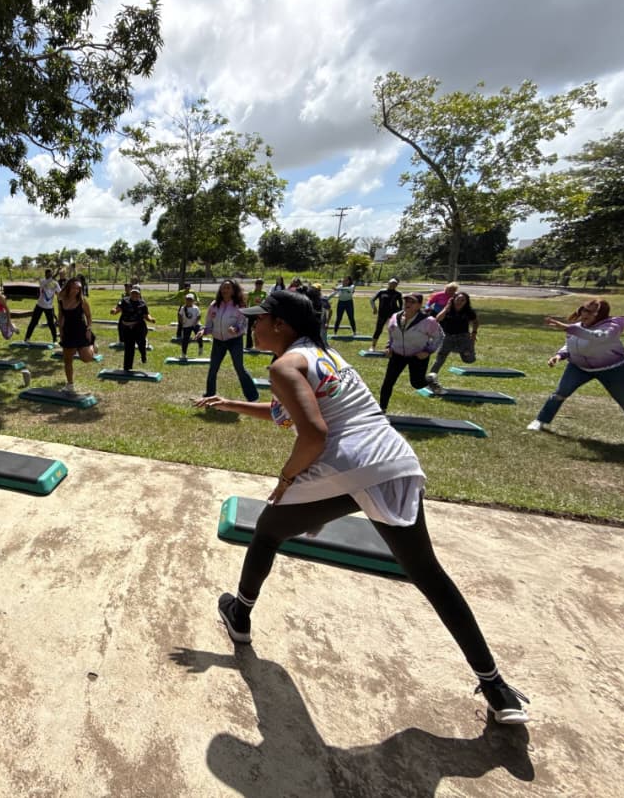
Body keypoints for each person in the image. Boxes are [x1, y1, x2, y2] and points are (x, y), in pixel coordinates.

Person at [199, 288, 530, 725]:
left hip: (344, 464)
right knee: (427, 573)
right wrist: (231, 404)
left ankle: (240, 614)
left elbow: (314, 435)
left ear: (280, 325)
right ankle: (496, 687)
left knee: (268, 530)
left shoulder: (284, 366)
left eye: (259, 319)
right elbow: (286, 414)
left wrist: (287, 479)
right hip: (394, 459)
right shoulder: (325, 356)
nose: (252, 325)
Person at [528, 299, 624, 432]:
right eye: (583, 310)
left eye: (590, 312)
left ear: (601, 314)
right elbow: (570, 344)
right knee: (560, 392)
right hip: (578, 367)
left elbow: (598, 336)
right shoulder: (577, 327)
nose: (584, 314)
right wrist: (559, 356)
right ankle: (540, 420)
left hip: (613, 368)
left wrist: (568, 327)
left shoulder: (612, 327)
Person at [379, 293, 444, 412]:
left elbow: (439, 337)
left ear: (419, 305)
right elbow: (392, 334)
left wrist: (428, 351)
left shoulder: (428, 321)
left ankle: (430, 379)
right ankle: (382, 409)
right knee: (388, 382)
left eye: (412, 302)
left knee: (417, 384)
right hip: (398, 355)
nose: (408, 304)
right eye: (406, 301)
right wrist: (389, 346)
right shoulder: (395, 317)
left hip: (418, 356)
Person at [199, 279, 258, 402]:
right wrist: (204, 331)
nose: (224, 290)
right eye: (223, 287)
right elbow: (209, 323)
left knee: (239, 368)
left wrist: (236, 329)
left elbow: (243, 324)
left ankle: (252, 397)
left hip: (234, 341)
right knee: (213, 368)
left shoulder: (240, 306)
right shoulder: (214, 305)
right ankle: (209, 394)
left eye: (228, 288)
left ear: (233, 290)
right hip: (218, 342)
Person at [426, 292, 479, 390]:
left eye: (462, 300)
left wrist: (474, 333)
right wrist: (446, 308)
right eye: (458, 299)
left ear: (466, 302)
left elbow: (475, 322)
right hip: (447, 338)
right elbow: (438, 319)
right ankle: (430, 380)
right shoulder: (447, 309)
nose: (459, 302)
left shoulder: (469, 311)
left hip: (463, 338)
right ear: (453, 299)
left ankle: (466, 350)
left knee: (469, 360)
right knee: (439, 360)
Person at [56, 277, 96, 393]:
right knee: (67, 360)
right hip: (68, 332)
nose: (76, 290)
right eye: (74, 288)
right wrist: (61, 332)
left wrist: (89, 329)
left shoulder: (82, 301)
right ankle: (70, 384)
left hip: (81, 331)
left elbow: (89, 316)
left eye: (78, 289)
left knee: (87, 359)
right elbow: (61, 317)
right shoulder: (61, 300)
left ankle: (93, 344)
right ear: (68, 287)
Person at [111, 285, 155, 371]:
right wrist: (114, 311)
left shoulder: (142, 304)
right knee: (129, 347)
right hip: (127, 328)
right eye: (133, 293)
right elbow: (117, 309)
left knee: (141, 344)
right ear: (130, 293)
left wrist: (151, 319)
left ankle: (143, 355)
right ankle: (127, 368)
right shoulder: (124, 301)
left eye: (136, 293)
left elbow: (146, 315)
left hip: (139, 327)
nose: (135, 295)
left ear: (139, 294)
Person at [23, 268, 61, 342]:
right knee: (33, 322)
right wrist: (56, 274)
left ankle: (55, 339)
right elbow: (48, 281)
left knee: (51, 324)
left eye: (51, 274)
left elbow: (60, 292)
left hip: (49, 307)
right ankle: (27, 338)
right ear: (45, 274)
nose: (49, 276)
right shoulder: (42, 281)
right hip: (39, 305)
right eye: (48, 274)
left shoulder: (55, 283)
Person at [370, 278, 404, 350]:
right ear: (388, 283)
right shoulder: (382, 291)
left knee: (392, 331)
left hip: (393, 315)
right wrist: (374, 308)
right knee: (378, 330)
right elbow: (372, 300)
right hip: (382, 314)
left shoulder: (398, 293)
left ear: (397, 285)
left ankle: (390, 347)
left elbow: (401, 306)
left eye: (395, 284)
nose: (393, 285)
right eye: (392, 283)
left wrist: (400, 314)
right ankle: (373, 346)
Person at [177, 293, 203, 358]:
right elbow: (179, 315)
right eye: (187, 299)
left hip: (195, 325)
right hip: (186, 326)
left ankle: (200, 347)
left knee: (199, 336)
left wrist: (195, 322)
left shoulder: (196, 308)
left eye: (190, 300)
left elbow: (199, 316)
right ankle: (184, 354)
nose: (188, 301)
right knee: (185, 340)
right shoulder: (183, 308)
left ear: (193, 301)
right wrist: (181, 322)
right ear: (185, 300)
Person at [245, 279, 267, 349]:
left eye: (260, 284)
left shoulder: (264, 293)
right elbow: (247, 303)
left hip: (260, 313)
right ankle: (249, 345)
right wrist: (247, 311)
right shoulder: (251, 293)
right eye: (258, 284)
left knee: (260, 329)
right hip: (252, 313)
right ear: (255, 285)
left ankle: (261, 345)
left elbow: (265, 302)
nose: (259, 286)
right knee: (249, 329)